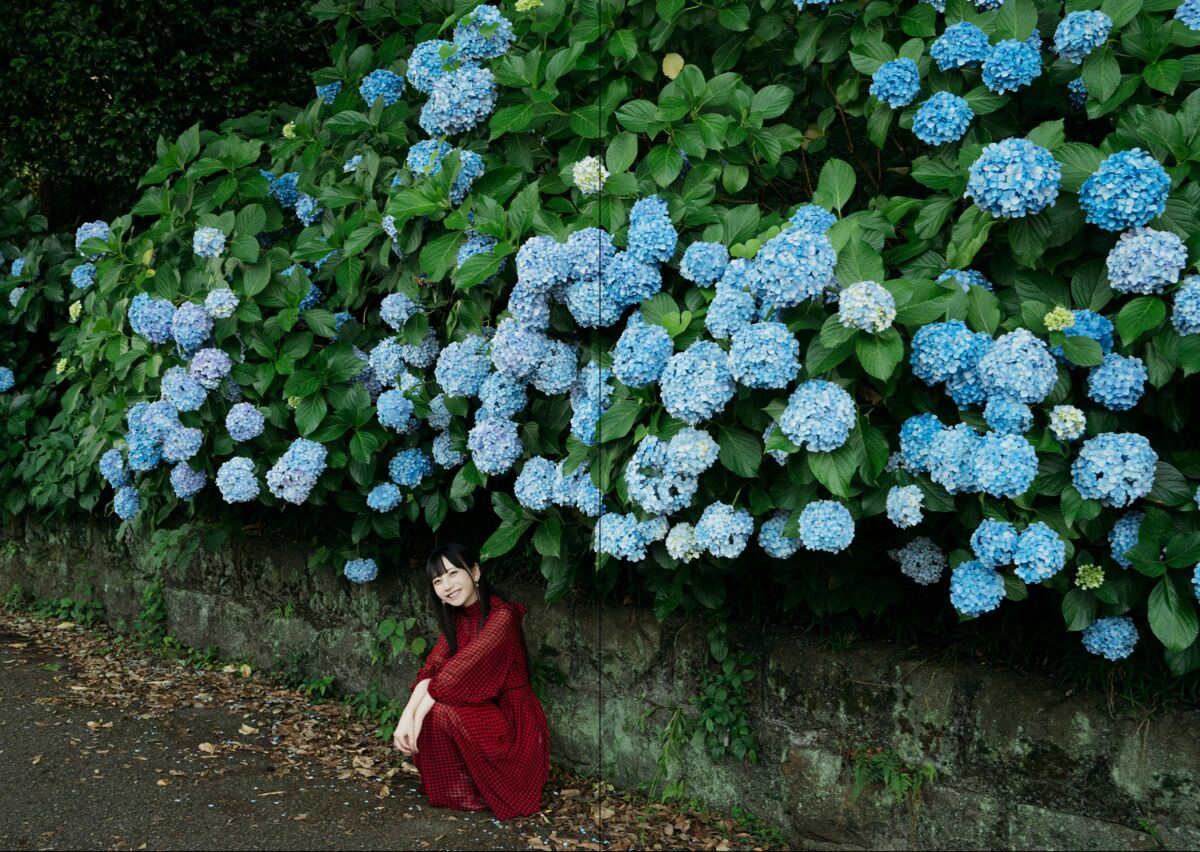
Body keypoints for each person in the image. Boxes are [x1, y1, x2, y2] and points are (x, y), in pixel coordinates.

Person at [393, 542, 549, 819]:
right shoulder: (457, 618)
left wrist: (418, 715)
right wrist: (408, 716)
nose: (447, 586)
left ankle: (494, 785)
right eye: (438, 581)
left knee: (439, 708)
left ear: (475, 572)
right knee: (433, 707)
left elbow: (455, 675)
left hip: (513, 723)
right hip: (484, 712)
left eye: (453, 573)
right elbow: (433, 667)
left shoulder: (502, 616)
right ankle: (468, 786)